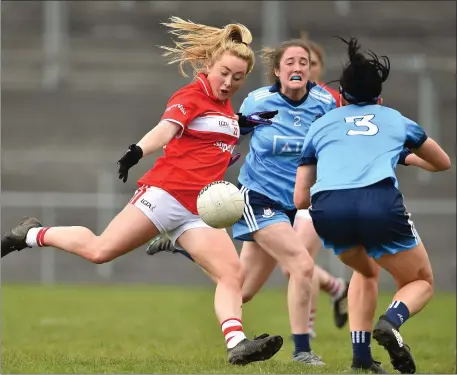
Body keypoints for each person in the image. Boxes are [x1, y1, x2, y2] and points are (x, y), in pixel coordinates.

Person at [1, 16, 285, 366]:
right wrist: (137, 150)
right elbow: (166, 130)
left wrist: (242, 125)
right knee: (99, 250)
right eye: (224, 73)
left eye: (238, 78)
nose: (229, 82)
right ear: (209, 64)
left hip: (198, 210)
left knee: (232, 275)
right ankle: (31, 234)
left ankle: (237, 344)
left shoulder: (226, 110)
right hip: (163, 196)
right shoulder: (191, 94)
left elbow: (211, 138)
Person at [149, 38, 338, 365]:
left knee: (242, 289)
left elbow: (340, 138)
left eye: (303, 62)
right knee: (302, 265)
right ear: (277, 70)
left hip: (292, 206)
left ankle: (181, 247)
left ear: (311, 69)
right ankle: (303, 351)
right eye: (290, 62)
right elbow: (228, 134)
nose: (297, 67)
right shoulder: (257, 101)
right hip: (258, 198)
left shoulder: (326, 102)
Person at [294, 36, 451, 374]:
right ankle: (391, 322)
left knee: (366, 270)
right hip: (377, 202)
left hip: (328, 208)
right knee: (421, 282)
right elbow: (442, 162)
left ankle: (361, 359)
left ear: (341, 97)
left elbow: (300, 199)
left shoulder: (320, 125)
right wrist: (404, 157)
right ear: (379, 96)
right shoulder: (394, 119)